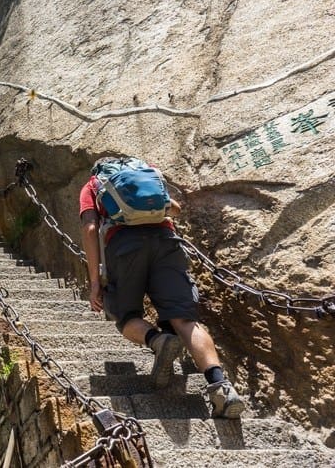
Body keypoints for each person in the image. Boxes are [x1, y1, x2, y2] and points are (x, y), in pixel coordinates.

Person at [78, 156, 245, 418]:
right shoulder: (147, 175)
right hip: (166, 242)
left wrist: (95, 282)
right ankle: (221, 388)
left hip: (124, 247)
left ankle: (158, 340)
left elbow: (90, 228)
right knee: (185, 320)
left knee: (126, 317)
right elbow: (174, 209)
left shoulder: (93, 184)